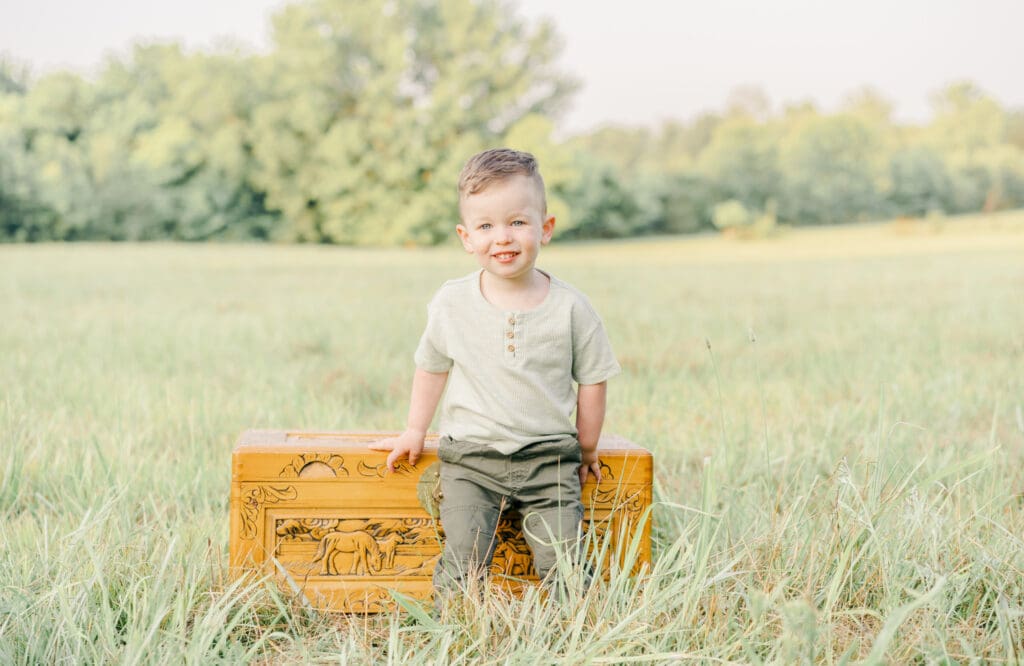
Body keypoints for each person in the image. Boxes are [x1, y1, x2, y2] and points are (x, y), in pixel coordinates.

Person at [370, 148, 620, 597]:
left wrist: (586, 447)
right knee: (463, 553)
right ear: (467, 237)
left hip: (548, 460)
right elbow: (431, 367)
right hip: (471, 460)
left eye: (517, 222)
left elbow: (593, 381)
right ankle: (455, 626)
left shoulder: (571, 308)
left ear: (545, 228)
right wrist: (414, 429)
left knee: (564, 557)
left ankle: (578, 626)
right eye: (486, 226)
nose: (502, 237)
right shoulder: (452, 302)